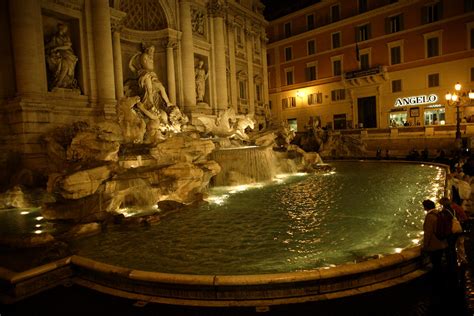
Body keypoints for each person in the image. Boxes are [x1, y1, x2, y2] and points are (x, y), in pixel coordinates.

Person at [137, 45, 173, 110]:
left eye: (152, 50)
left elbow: (150, 67)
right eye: (151, 50)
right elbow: (146, 65)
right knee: (149, 89)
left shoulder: (149, 58)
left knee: (161, 87)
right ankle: (151, 104)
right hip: (146, 75)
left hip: (151, 77)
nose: (152, 52)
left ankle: (168, 102)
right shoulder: (144, 56)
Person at [45, 23, 78, 90]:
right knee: (64, 64)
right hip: (59, 55)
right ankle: (59, 82)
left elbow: (68, 46)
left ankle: (62, 82)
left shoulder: (66, 37)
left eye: (64, 29)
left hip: (67, 54)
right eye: (63, 28)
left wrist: (57, 48)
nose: (64, 30)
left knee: (67, 65)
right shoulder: (55, 37)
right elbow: (50, 45)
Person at [422, 199, 447, 285]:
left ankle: (437, 282)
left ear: (426, 207)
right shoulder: (439, 213)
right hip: (442, 242)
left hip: (434, 244)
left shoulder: (429, 217)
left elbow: (428, 233)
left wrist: (425, 246)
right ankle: (441, 280)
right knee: (439, 262)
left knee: (435, 263)